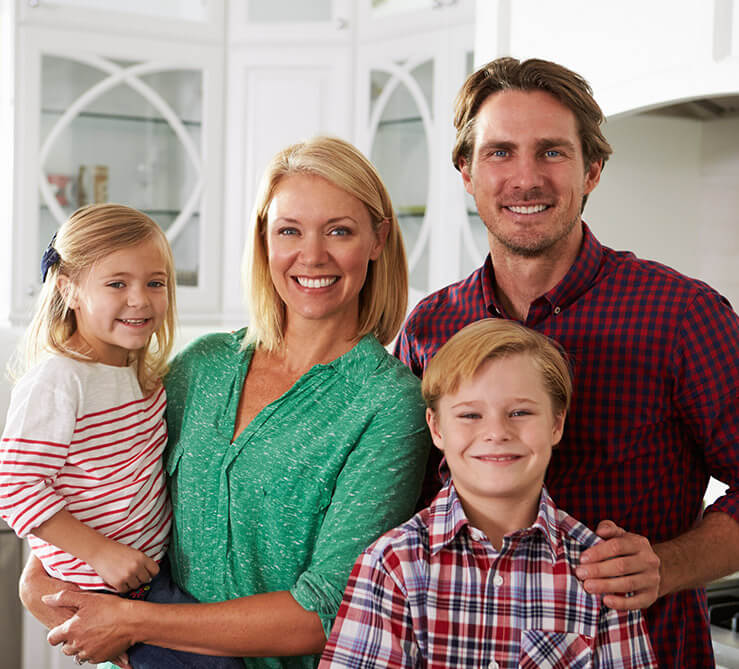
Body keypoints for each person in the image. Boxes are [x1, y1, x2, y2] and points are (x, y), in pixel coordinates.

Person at [20, 136, 431, 668]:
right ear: (264, 239)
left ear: (377, 240)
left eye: (339, 231)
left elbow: (325, 612)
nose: (312, 255)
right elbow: (104, 489)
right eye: (289, 230)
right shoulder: (204, 366)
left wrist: (130, 624)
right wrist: (54, 577)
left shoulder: (388, 404)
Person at [394, 57, 739, 667]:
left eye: (551, 152)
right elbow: (409, 505)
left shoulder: (681, 315)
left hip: (647, 649)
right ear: (466, 173)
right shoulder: (430, 328)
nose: (525, 179)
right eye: (499, 152)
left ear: (593, 170)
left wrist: (668, 563)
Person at [322, 319, 657, 667]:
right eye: (470, 414)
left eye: (520, 412)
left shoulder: (600, 571)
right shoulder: (392, 566)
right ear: (436, 428)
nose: (496, 432)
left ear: (556, 424)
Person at [0, 204, 237, 668]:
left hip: (148, 576)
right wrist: (102, 554)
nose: (140, 299)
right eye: (117, 283)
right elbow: (15, 486)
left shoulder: (138, 372)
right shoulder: (60, 379)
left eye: (155, 282)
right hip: (100, 585)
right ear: (68, 289)